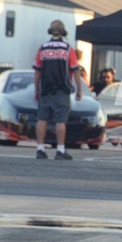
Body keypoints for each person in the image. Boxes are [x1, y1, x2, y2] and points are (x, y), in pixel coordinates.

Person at [33, 20, 82, 160]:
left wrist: (37, 89)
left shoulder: (42, 48)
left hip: (46, 90)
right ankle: (60, 150)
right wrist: (79, 89)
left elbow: (37, 72)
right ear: (63, 32)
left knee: (42, 119)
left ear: (51, 31)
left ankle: (40, 149)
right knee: (60, 120)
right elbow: (75, 70)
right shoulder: (68, 49)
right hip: (62, 90)